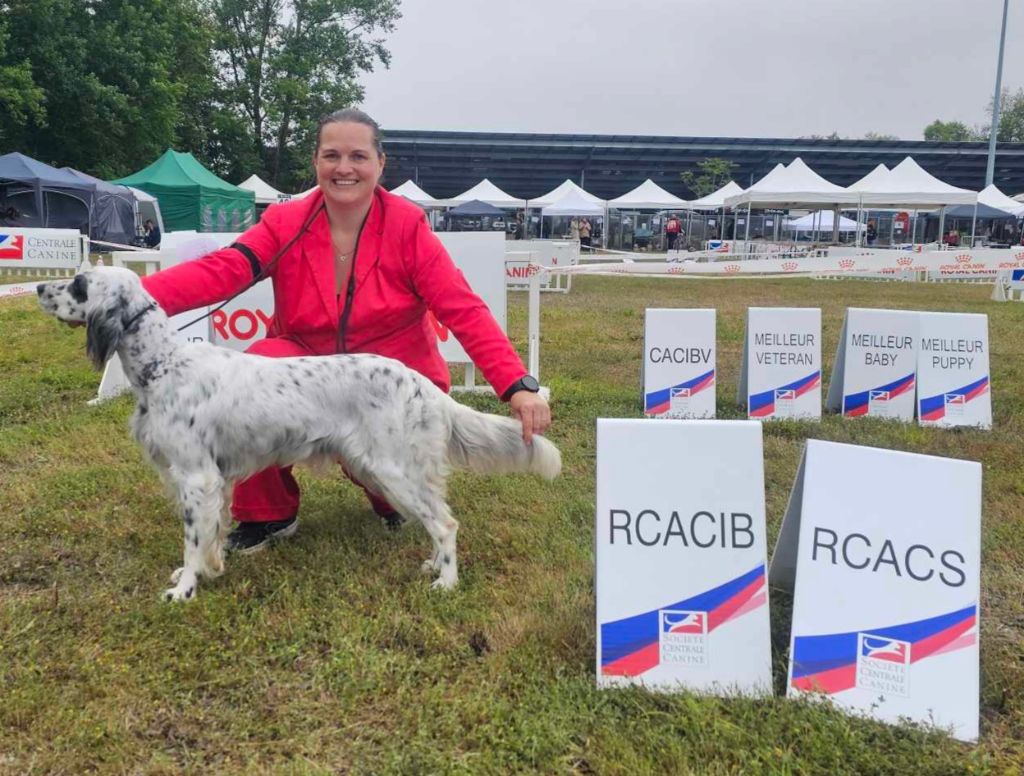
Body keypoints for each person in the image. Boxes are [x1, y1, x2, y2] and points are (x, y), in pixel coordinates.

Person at [138, 108, 552, 552]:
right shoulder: (283, 222)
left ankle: (392, 497)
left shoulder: (407, 226)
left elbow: (462, 307)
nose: (344, 168)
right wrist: (135, 295)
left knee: (385, 479)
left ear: (380, 163)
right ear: (315, 162)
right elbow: (228, 268)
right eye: (331, 155)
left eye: (358, 155)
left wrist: (516, 385)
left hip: (391, 371)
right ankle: (267, 515)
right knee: (259, 369)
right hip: (303, 359)